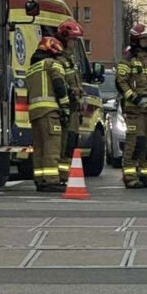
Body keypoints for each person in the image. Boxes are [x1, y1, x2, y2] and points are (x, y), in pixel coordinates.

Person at [116, 23, 147, 188]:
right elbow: (121, 82)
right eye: (143, 39)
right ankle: (130, 176)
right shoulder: (128, 61)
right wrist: (135, 98)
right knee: (135, 143)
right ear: (136, 40)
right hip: (135, 110)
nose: (146, 42)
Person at [24, 36, 69, 193]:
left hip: (35, 114)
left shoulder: (32, 68)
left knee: (40, 149)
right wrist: (65, 105)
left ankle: (40, 180)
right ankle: (51, 180)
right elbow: (59, 84)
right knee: (52, 147)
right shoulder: (52, 64)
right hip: (50, 112)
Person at [54, 20, 85, 183]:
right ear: (65, 39)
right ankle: (60, 176)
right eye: (73, 40)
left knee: (71, 143)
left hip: (74, 108)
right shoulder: (59, 60)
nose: (74, 43)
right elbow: (60, 83)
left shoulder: (71, 60)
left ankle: (64, 176)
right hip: (64, 107)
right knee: (64, 143)